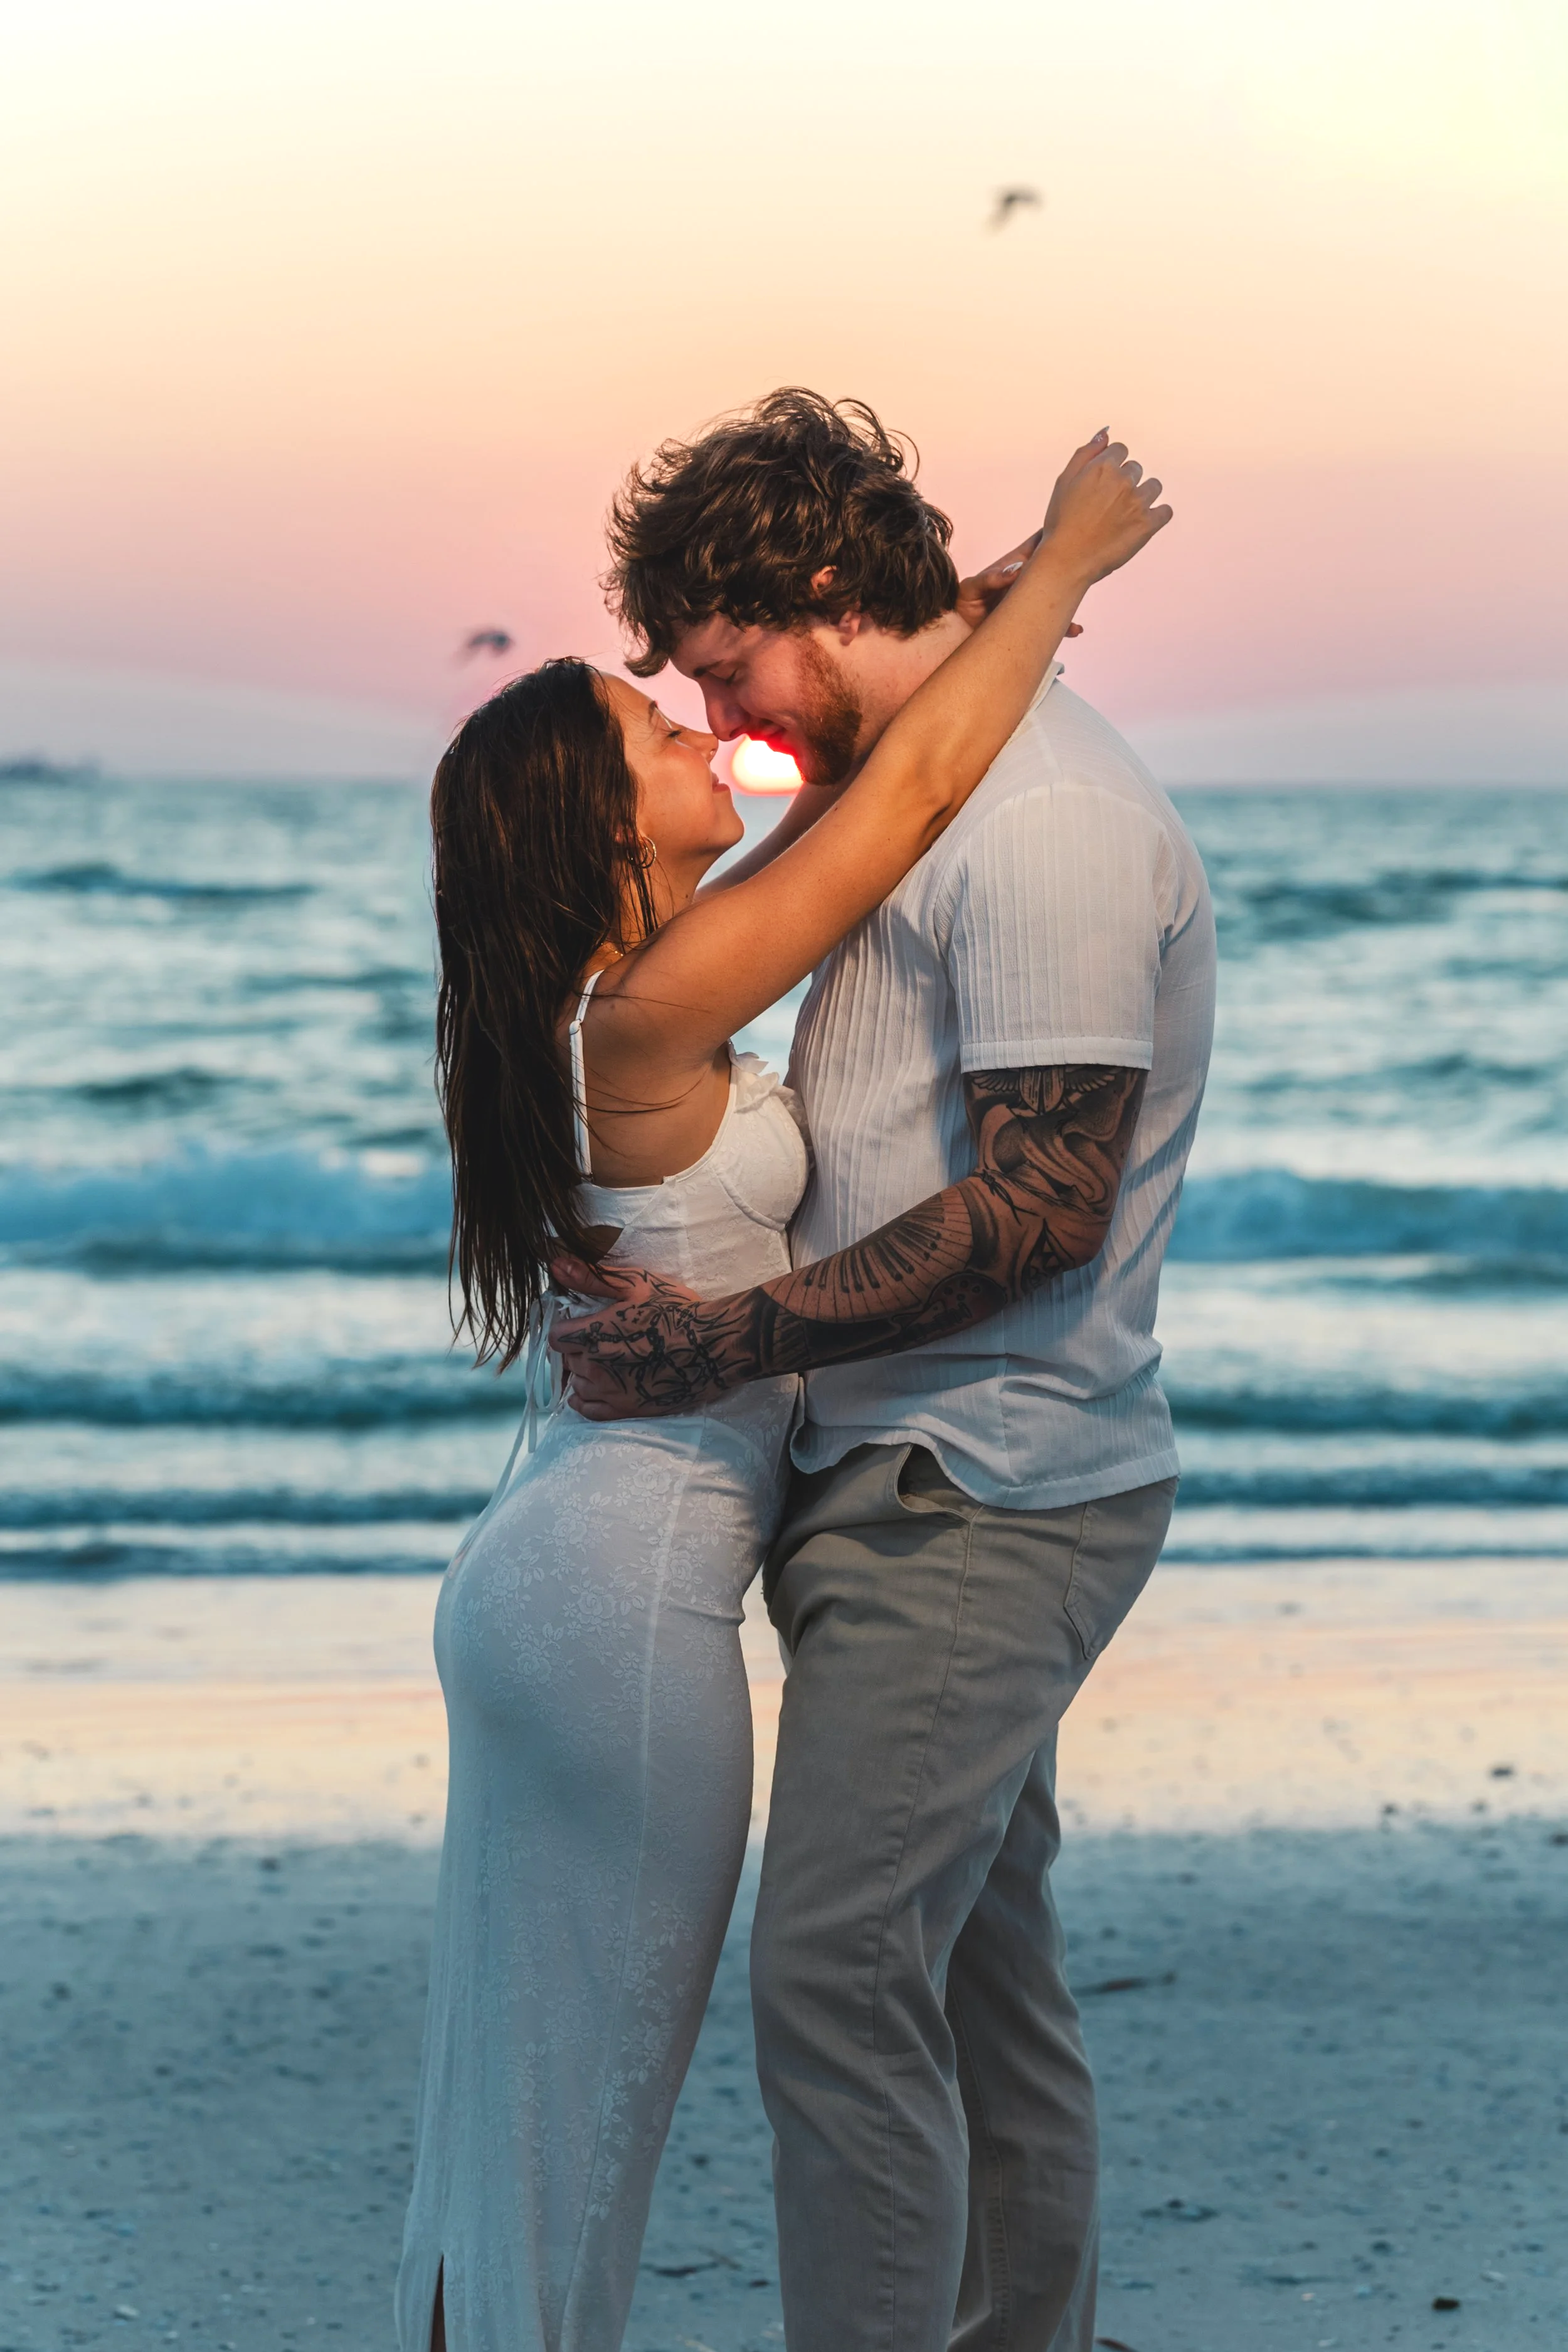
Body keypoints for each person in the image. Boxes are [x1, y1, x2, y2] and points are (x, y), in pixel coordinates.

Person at [393, 411, 1167, 2352]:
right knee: (591, 2082)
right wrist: (1059, 570)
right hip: (625, 1577)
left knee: (546, 2079)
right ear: (592, 827)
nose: (705, 727)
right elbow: (893, 801)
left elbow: (880, 772)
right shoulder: (654, 1001)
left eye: (706, 679)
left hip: (613, 1544)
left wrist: (994, 597)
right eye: (657, 728)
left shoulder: (659, 971)